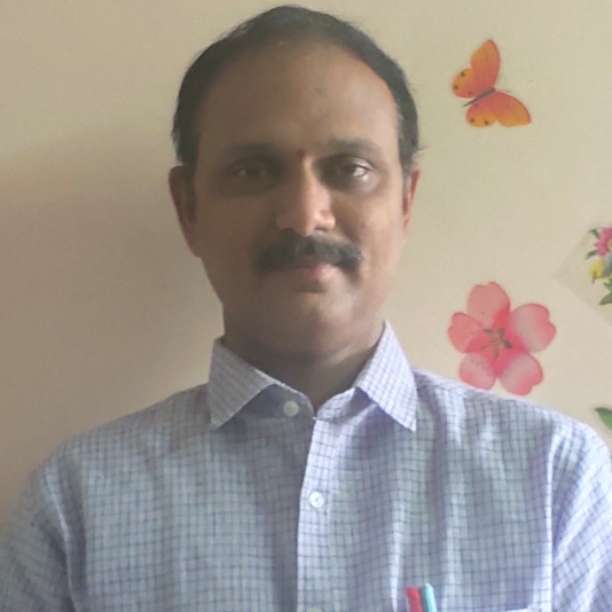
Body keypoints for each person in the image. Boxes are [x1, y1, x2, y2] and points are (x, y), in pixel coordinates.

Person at [1, 5, 610, 611]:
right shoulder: (76, 508)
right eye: (253, 170)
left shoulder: (556, 482)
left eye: (350, 169)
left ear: (406, 201)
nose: (303, 214)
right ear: (189, 208)